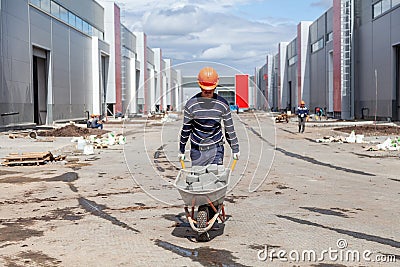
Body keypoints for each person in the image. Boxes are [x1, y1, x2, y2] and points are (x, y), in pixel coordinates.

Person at [178, 67, 240, 166]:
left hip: (216, 150)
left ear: (215, 86)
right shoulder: (191, 104)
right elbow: (186, 129)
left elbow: (229, 129)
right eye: (204, 89)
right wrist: (181, 149)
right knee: (197, 180)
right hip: (197, 151)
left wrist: (235, 148)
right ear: (199, 85)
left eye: (210, 89)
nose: (207, 92)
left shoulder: (222, 104)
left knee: (216, 179)